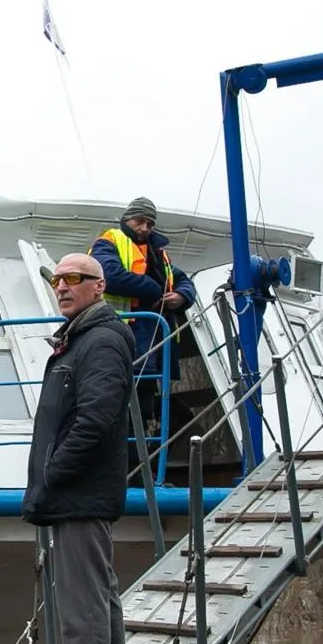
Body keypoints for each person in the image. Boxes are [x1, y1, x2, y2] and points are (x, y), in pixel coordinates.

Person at [25, 253, 138, 644]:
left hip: (79, 491)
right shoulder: (82, 338)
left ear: (99, 286)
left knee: (82, 603)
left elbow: (96, 418)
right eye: (57, 280)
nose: (63, 287)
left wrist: (53, 474)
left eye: (74, 279)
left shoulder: (101, 340)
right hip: (78, 490)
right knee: (101, 595)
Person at [91, 196, 197, 475]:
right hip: (122, 338)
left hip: (152, 343)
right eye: (140, 221)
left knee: (151, 407)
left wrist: (181, 296)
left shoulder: (158, 252)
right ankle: (128, 470)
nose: (145, 227)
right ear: (127, 219)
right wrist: (156, 291)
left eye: (150, 223)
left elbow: (183, 280)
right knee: (124, 407)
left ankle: (142, 467)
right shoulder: (109, 242)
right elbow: (108, 275)